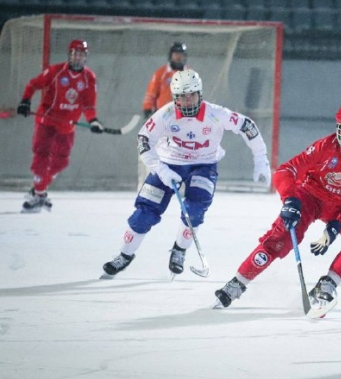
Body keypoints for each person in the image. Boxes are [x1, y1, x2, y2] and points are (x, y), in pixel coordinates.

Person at [213, 101, 341, 318]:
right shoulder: (325, 147)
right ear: (339, 129)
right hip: (312, 196)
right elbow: (286, 170)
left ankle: (328, 284)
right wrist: (291, 201)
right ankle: (237, 283)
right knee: (282, 238)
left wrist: (336, 227)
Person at [101, 68, 271, 278]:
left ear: (200, 94)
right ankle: (124, 256)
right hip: (168, 162)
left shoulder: (215, 114)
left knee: (195, 210)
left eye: (192, 95)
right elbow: (144, 139)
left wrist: (261, 160)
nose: (188, 101)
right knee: (144, 212)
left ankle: (179, 250)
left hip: (204, 165)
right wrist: (161, 170)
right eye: (182, 96)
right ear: (175, 97)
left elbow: (248, 127)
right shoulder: (166, 114)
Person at [16, 39, 104, 213]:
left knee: (61, 162)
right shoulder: (55, 71)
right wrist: (26, 101)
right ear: (69, 55)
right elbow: (33, 84)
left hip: (67, 126)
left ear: (85, 57)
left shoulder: (89, 78)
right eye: (74, 54)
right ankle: (39, 194)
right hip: (47, 121)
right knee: (42, 155)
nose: (77, 58)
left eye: (81, 55)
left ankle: (38, 188)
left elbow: (88, 105)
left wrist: (93, 121)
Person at [138, 42, 188, 187]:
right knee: (152, 151)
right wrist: (148, 111)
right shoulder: (161, 73)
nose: (178, 57)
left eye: (181, 55)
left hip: (182, 122)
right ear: (170, 56)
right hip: (162, 120)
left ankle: (181, 185)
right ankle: (146, 184)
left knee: (182, 153)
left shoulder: (189, 74)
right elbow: (151, 93)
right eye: (176, 54)